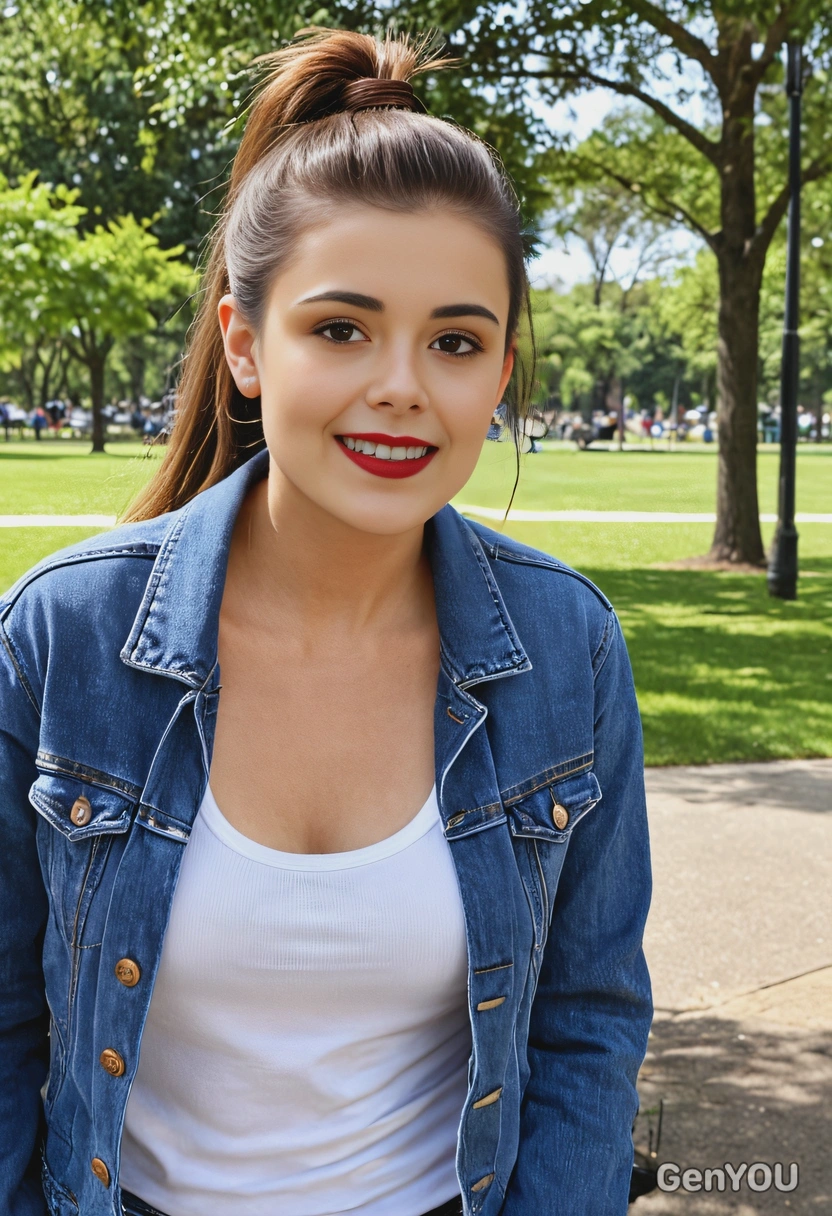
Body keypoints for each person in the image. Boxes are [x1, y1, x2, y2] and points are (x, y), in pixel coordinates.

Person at [0, 28, 652, 1216]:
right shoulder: (63, 636)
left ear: (499, 375)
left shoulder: (570, 650)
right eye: (341, 328)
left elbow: (586, 1021)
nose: (401, 383)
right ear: (246, 346)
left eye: (455, 341)